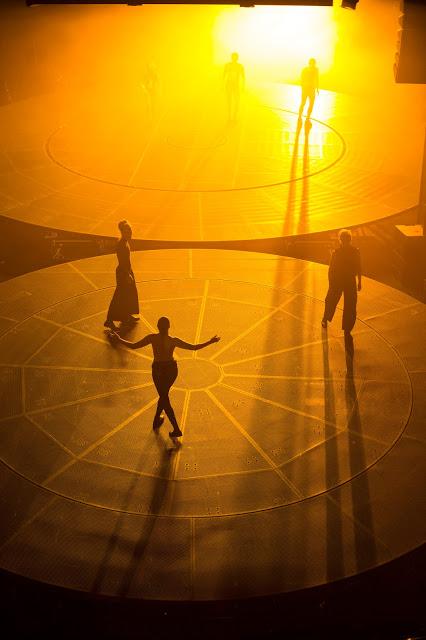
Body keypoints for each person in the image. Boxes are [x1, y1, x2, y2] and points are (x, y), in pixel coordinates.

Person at [108, 317, 220, 438]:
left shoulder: (152, 338)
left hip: (158, 371)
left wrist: (119, 339)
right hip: (171, 370)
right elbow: (193, 347)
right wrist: (210, 341)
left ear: (157, 326)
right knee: (163, 395)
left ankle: (176, 429)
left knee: (164, 397)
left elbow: (134, 346)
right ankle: (156, 420)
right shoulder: (173, 340)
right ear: (169, 327)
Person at [322, 229, 362, 335]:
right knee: (346, 303)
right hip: (344, 281)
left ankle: (328, 320)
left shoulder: (337, 253)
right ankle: (331, 321)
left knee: (334, 301)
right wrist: (359, 282)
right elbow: (359, 267)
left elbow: (331, 269)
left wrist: (331, 283)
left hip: (340, 280)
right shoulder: (352, 252)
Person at [104, 220, 139, 330]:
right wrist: (127, 274)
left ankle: (126, 315)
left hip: (126, 271)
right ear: (122, 232)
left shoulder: (124, 242)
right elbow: (122, 261)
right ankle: (109, 320)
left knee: (128, 294)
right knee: (119, 296)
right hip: (123, 273)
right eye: (127, 231)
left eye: (130, 230)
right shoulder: (121, 244)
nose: (130, 232)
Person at [223, 52, 245, 123]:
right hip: (231, 85)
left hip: (233, 85)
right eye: (234, 57)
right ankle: (231, 117)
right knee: (231, 101)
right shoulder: (230, 65)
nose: (235, 58)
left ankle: (232, 117)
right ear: (232, 58)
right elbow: (224, 76)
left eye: (235, 57)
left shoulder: (239, 66)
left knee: (234, 101)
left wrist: (243, 87)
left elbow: (243, 77)